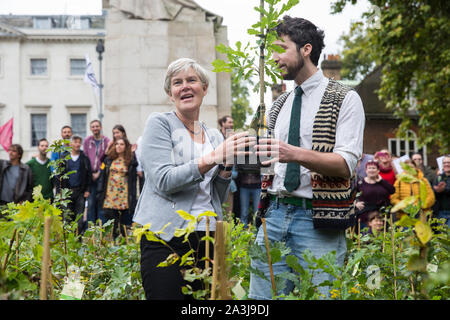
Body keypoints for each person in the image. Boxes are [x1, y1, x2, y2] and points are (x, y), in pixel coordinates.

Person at [251, 16, 365, 299]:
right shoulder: (279, 104)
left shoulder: (345, 98)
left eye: (281, 49)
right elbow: (273, 166)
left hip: (317, 220)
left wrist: (293, 153)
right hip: (273, 215)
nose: (275, 58)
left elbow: (345, 164)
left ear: (306, 49)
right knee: (260, 301)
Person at [133, 58, 254, 300]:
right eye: (177, 83)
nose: (185, 86)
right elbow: (163, 180)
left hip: (206, 236)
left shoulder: (214, 136)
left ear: (204, 88)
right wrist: (213, 157)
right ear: (170, 94)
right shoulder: (160, 124)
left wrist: (226, 168)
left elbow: (216, 197)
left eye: (192, 80)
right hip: (165, 237)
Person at [97, 137, 138, 238]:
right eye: (117, 144)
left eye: (121, 144)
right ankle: (114, 239)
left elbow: (135, 165)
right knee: (112, 219)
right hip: (110, 194)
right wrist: (100, 191)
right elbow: (102, 172)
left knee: (123, 221)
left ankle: (124, 241)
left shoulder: (129, 160)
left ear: (126, 146)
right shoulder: (109, 159)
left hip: (123, 194)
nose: (118, 146)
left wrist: (133, 154)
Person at [57, 136, 92, 232]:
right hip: (67, 192)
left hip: (80, 192)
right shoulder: (64, 158)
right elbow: (59, 176)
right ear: (70, 143)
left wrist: (87, 190)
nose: (77, 144)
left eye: (79, 142)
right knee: (67, 216)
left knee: (79, 217)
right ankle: (68, 240)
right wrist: (60, 192)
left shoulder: (84, 159)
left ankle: (78, 238)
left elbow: (89, 175)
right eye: (75, 142)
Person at [83, 120, 110, 226]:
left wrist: (99, 172)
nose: (95, 128)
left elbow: (106, 159)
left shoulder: (107, 141)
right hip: (90, 176)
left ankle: (101, 228)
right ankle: (91, 229)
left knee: (101, 202)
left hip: (102, 176)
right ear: (90, 128)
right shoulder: (87, 141)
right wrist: (90, 174)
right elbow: (85, 158)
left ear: (101, 127)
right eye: (93, 126)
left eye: (97, 126)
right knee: (91, 202)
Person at [355, 160, 395, 228]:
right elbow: (351, 195)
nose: (371, 170)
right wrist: (355, 203)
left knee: (382, 237)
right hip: (364, 216)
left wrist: (381, 181)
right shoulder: (360, 183)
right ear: (366, 170)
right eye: (369, 168)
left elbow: (392, 190)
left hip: (381, 216)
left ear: (378, 170)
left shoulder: (383, 182)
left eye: (373, 168)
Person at [236, 163, 261, 228]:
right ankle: (243, 230)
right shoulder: (241, 156)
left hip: (257, 186)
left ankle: (257, 230)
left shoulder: (260, 155)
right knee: (244, 211)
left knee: (257, 210)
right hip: (244, 186)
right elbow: (236, 172)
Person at [433, 155, 450, 228]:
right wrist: (436, 190)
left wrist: (444, 189)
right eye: (444, 163)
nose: (446, 164)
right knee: (442, 236)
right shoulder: (439, 177)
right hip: (441, 212)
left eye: (448, 162)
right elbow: (433, 191)